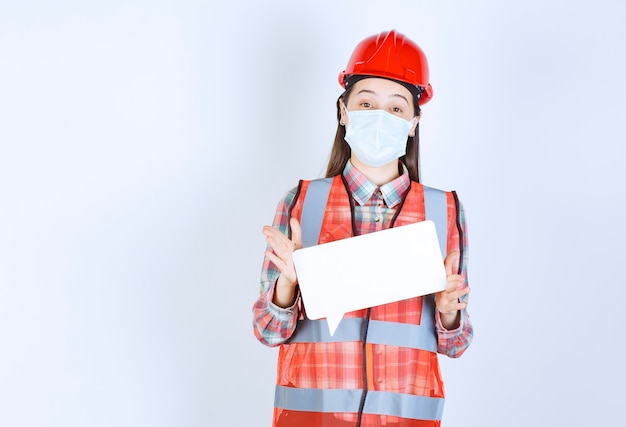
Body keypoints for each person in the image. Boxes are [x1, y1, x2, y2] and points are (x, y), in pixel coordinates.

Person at [252, 29, 473, 427]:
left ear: (413, 122)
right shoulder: (302, 203)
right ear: (343, 111)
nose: (379, 117)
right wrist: (287, 288)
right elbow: (268, 332)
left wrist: (448, 313)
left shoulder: (442, 210)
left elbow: (455, 344)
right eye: (366, 103)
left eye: (395, 108)